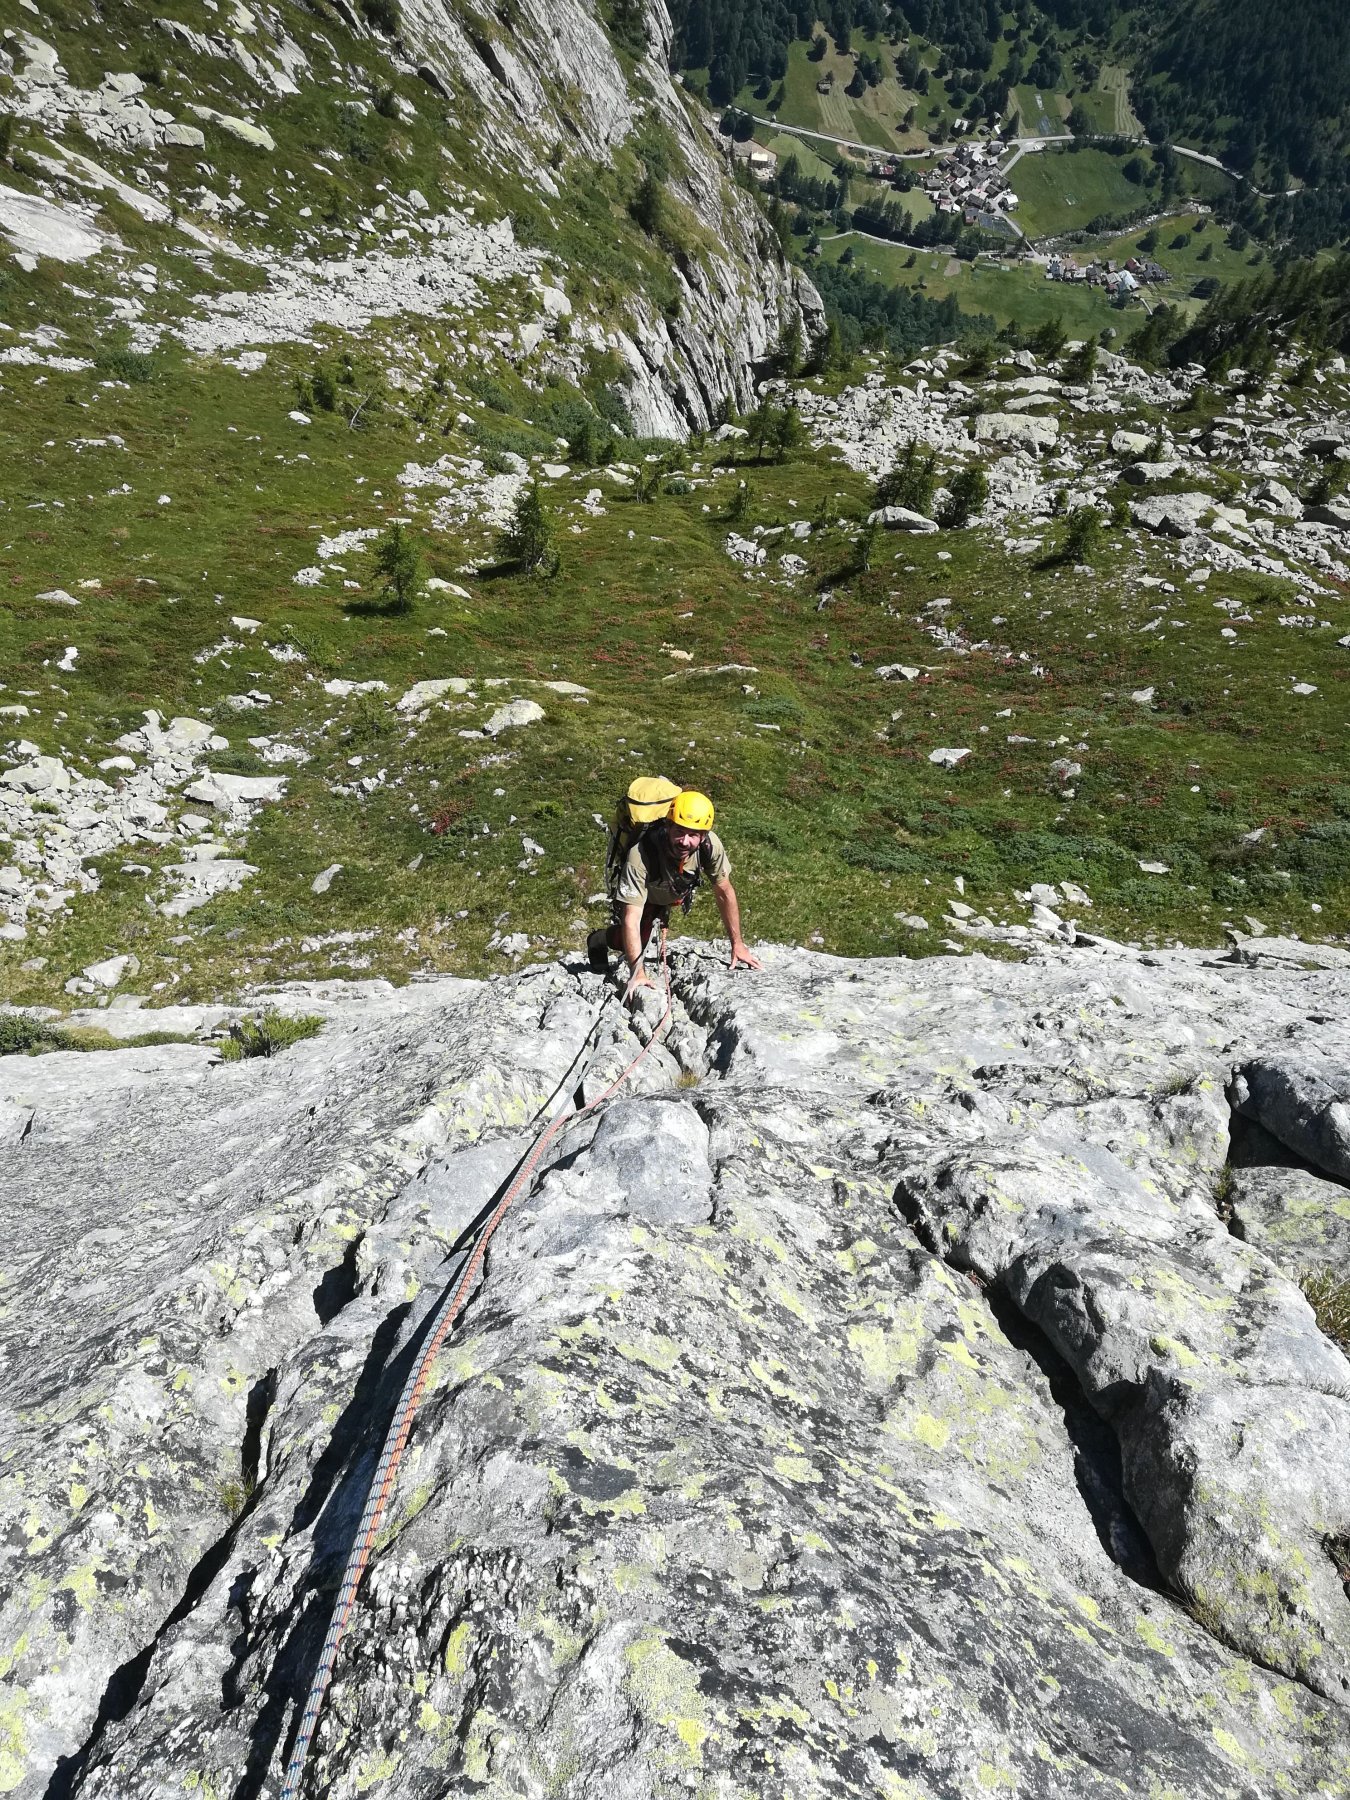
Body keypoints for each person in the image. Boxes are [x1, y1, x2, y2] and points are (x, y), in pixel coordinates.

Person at [587, 789, 762, 1002]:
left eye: (693, 834)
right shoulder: (641, 854)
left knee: (640, 938)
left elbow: (724, 891)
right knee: (633, 942)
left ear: (704, 835)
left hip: (671, 889)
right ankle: (597, 939)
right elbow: (630, 918)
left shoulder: (709, 846)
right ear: (668, 826)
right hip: (646, 895)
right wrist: (637, 973)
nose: (685, 841)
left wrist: (738, 944)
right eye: (679, 831)